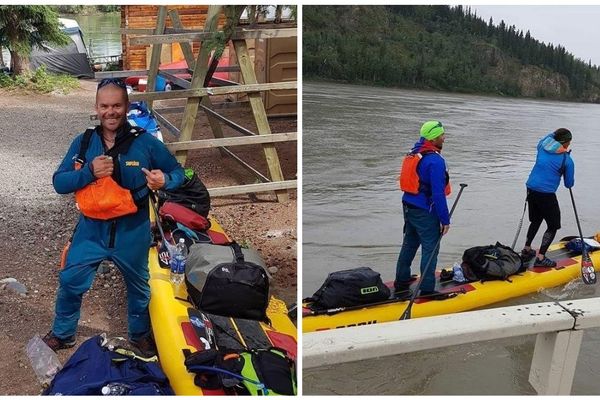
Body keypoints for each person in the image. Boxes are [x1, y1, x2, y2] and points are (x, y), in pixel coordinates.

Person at [43, 78, 185, 354]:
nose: (111, 112)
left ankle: (139, 334)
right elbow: (59, 183)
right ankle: (63, 334)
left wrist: (164, 179)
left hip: (132, 231)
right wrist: (88, 173)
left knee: (139, 288)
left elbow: (181, 173)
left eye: (117, 105)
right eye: (105, 106)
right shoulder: (83, 143)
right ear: (96, 108)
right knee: (70, 282)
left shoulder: (145, 143)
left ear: (127, 106)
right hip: (91, 231)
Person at [394, 120, 452, 300]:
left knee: (409, 243)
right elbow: (438, 193)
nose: (444, 137)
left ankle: (402, 280)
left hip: (408, 206)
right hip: (425, 210)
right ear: (434, 137)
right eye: (442, 135)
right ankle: (427, 289)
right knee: (431, 248)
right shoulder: (435, 160)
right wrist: (445, 219)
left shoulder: (415, 152)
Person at [521, 128, 574, 267]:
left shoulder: (542, 146)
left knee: (536, 220)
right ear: (566, 143)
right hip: (546, 193)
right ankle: (541, 258)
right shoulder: (566, 160)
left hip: (531, 188)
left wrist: (555, 133)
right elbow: (569, 183)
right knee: (553, 225)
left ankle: (526, 249)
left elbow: (548, 137)